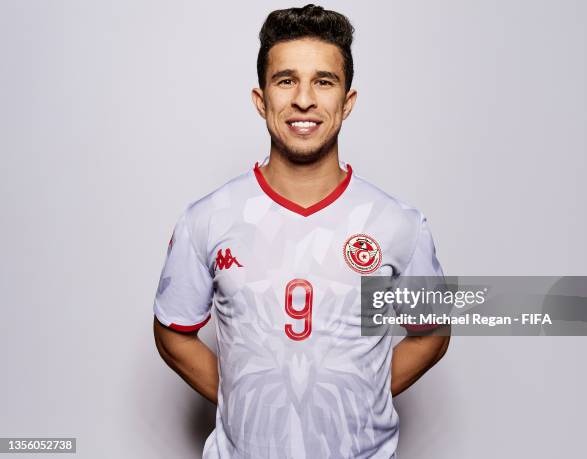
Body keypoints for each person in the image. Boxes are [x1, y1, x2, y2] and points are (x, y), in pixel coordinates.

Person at [153, 4, 450, 458]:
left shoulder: (397, 223)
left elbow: (432, 332)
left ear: (347, 102)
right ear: (261, 99)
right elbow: (172, 331)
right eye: (286, 80)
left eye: (323, 81)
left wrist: (361, 396)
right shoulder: (207, 219)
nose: (304, 99)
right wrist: (241, 400)